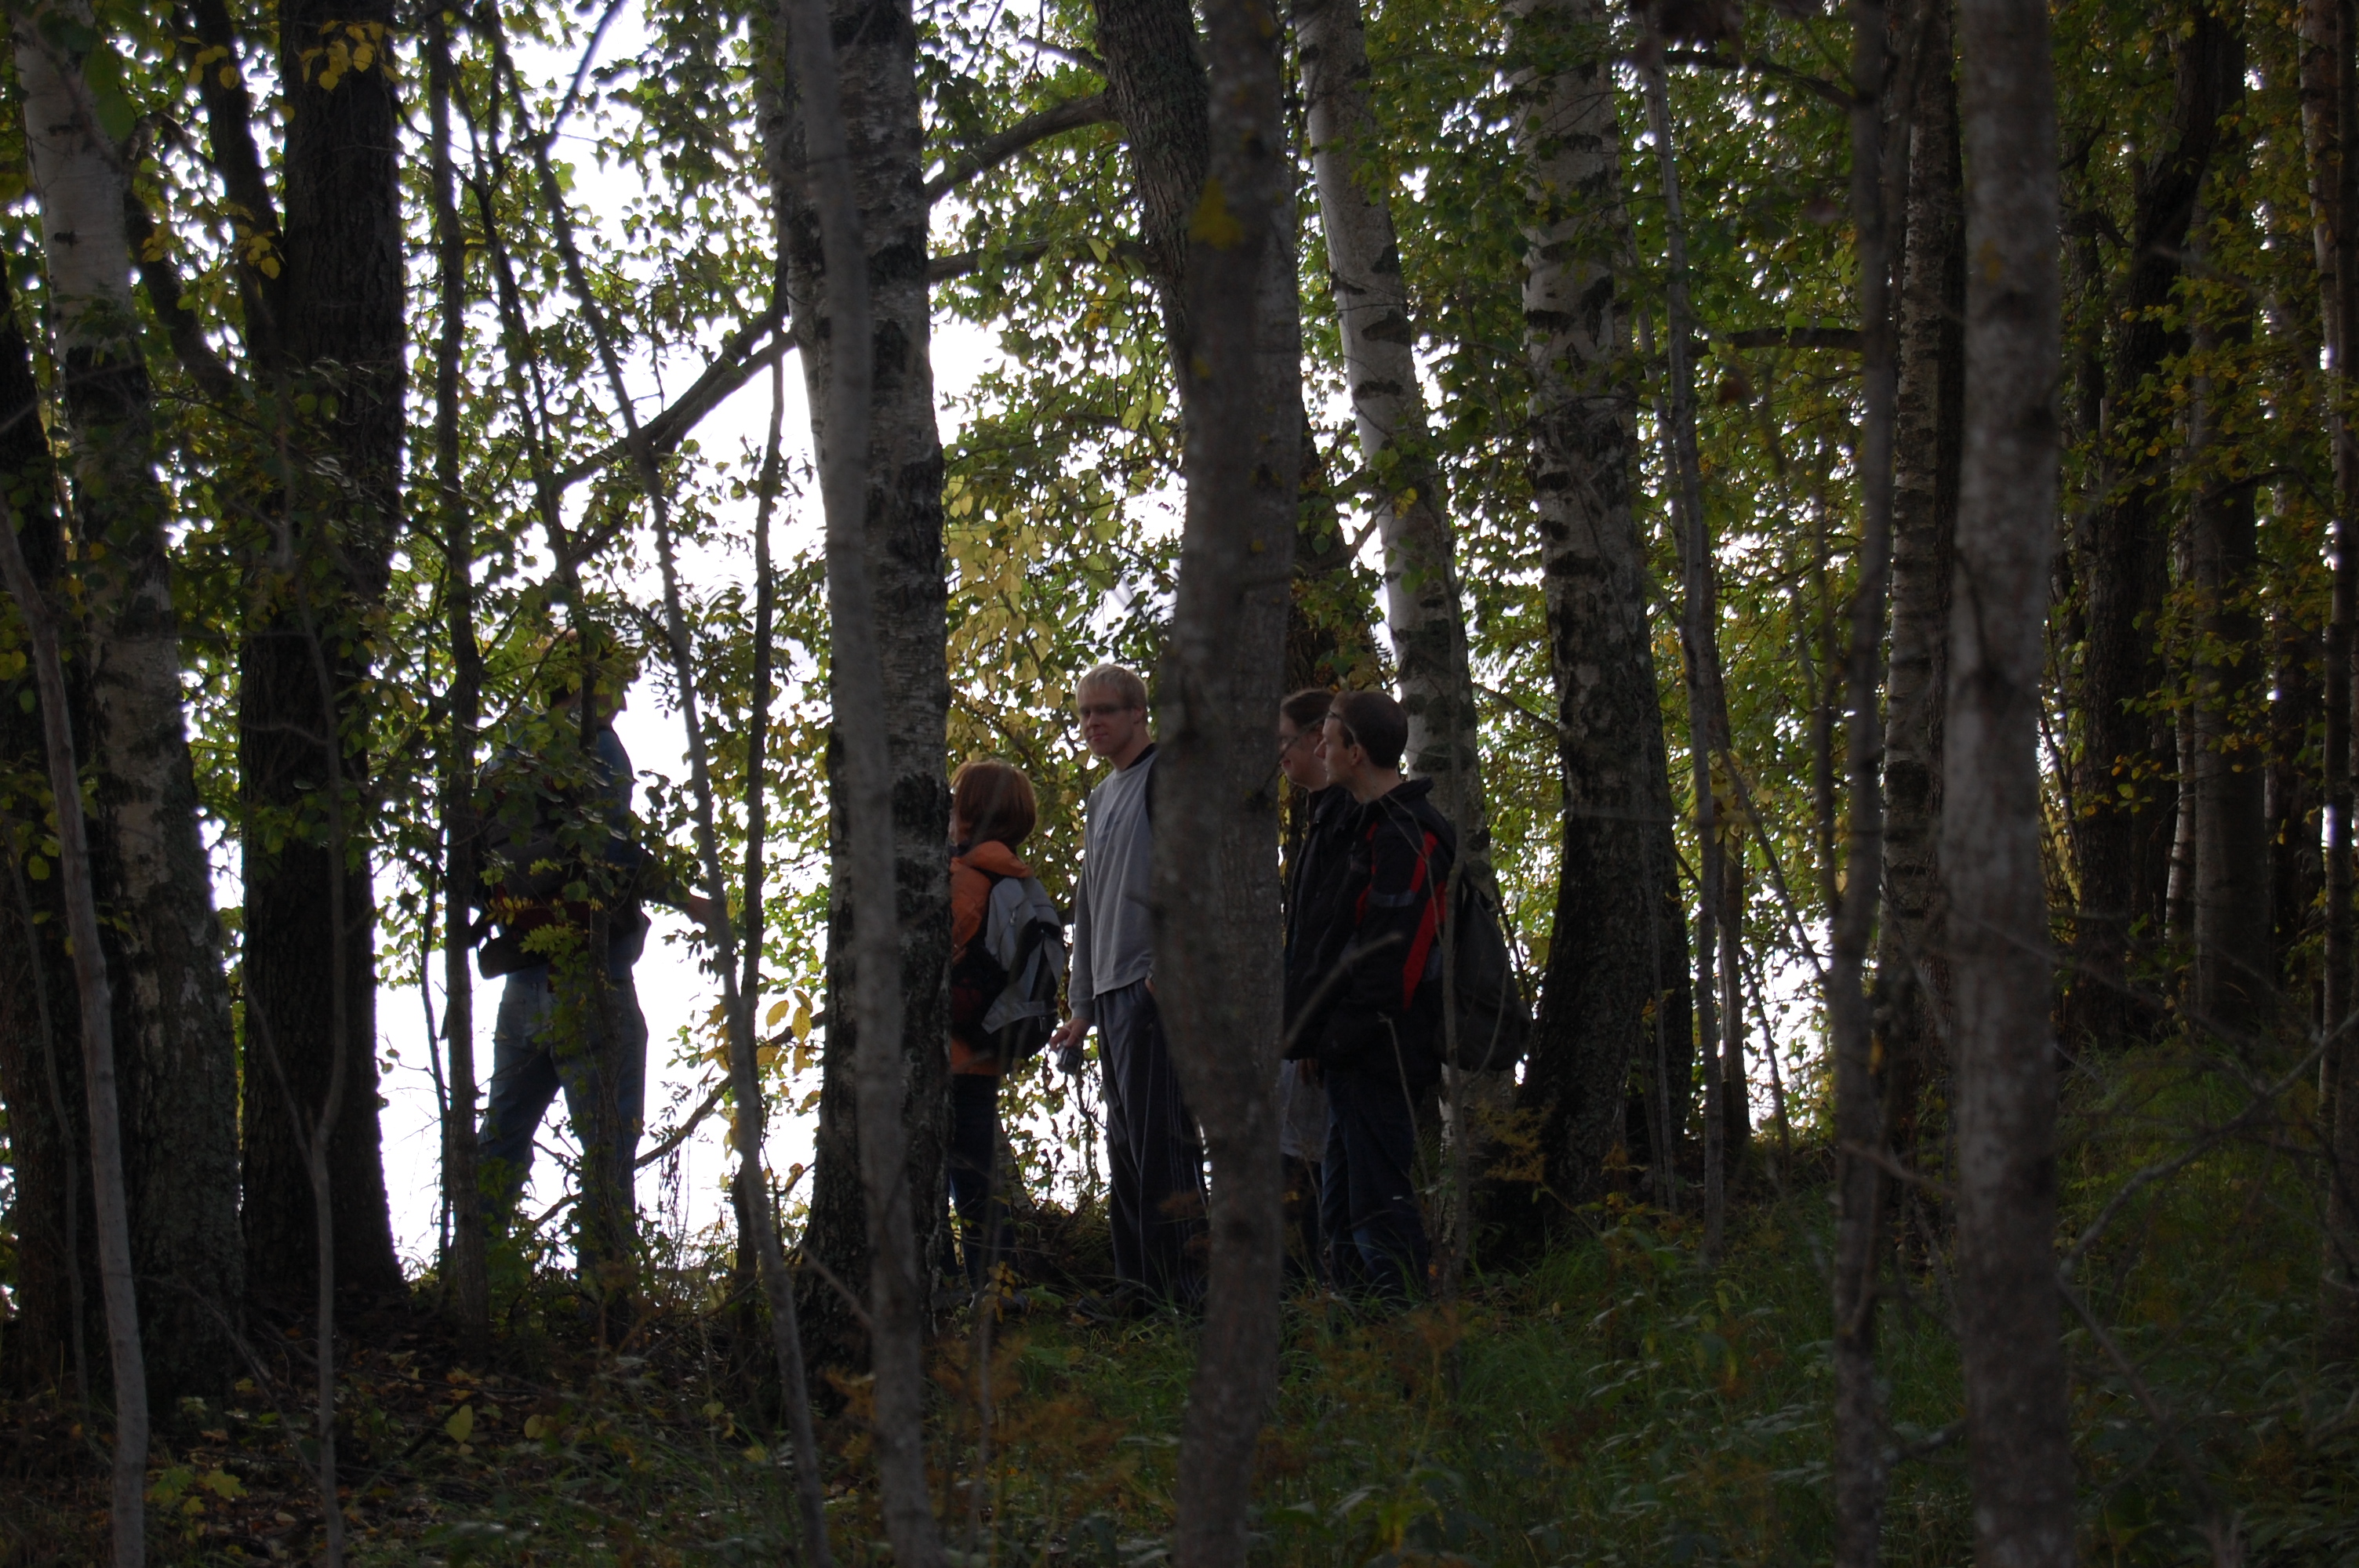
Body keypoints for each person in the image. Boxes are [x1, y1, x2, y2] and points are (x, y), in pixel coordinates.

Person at [473, 643, 715, 1290]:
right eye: (618, 685)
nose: (625, 701)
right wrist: (685, 897)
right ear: (584, 683)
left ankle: (469, 1282)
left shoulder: (507, 748)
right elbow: (609, 848)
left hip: (523, 971)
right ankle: (604, 1305)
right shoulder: (595, 744)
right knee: (608, 1148)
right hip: (589, 973)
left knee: (501, 1142)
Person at [1046, 663, 1207, 1313]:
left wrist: (1168, 972)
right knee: (1126, 1150)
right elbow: (1087, 904)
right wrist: (1081, 1007)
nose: (1093, 723)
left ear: (1140, 712)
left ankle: (1188, 1297)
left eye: (1105, 711)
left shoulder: (1165, 776)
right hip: (1111, 988)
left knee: (1163, 1143)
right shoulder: (1100, 797)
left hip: (1152, 988)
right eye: (1084, 714)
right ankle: (1137, 1292)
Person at [1283, 688, 1453, 1305]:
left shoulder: (1409, 836)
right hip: (1349, 1057)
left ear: (1356, 752)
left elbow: (1392, 970)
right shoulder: (1366, 827)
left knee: (1380, 1216)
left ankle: (1414, 1361)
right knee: (1344, 1216)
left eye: (1328, 740)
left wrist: (1335, 1035)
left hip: (1383, 1059)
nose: (1319, 751)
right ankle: (1358, 1364)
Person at [945, 759, 1058, 1289]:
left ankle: (966, 1294)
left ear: (969, 811)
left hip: (952, 1050)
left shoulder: (966, 878)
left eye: (956, 797)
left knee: (953, 1181)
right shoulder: (1017, 878)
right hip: (988, 1046)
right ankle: (999, 1292)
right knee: (978, 1179)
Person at [1277, 688, 1342, 1283]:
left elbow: (1332, 940)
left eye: (1286, 741)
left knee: (1311, 1164)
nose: (1282, 756)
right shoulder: (1319, 820)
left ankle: (1312, 1290)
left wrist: (1310, 1032)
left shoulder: (1347, 820)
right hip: (1307, 1030)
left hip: (1329, 1034)